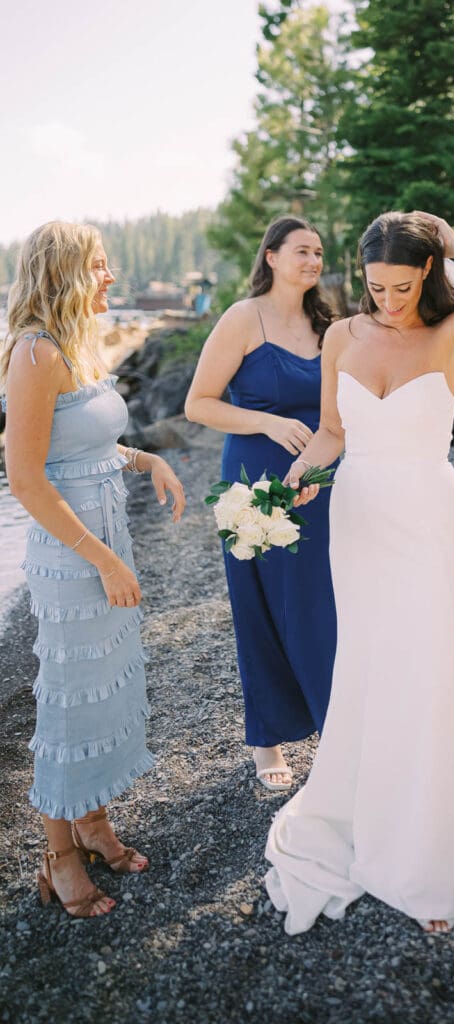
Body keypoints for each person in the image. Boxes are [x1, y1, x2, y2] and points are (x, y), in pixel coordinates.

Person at [264, 211, 454, 934]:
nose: (389, 300)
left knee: (425, 669)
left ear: (429, 273)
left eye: (403, 286)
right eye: (377, 286)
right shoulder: (342, 335)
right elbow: (333, 432)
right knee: (369, 664)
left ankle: (422, 858)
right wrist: (294, 482)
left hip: (422, 516)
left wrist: (449, 238)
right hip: (357, 517)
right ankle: (358, 808)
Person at [1, 221, 185, 918]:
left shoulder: (79, 344)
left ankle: (95, 820)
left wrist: (151, 459)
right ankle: (60, 855)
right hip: (73, 555)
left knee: (101, 691)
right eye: (102, 266)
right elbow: (25, 480)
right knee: (68, 704)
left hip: (105, 542)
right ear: (69, 272)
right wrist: (103, 558)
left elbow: (90, 449)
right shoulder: (35, 353)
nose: (112, 277)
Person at [185, 216, 337, 790]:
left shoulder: (330, 325)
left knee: (323, 603)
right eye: (301, 250)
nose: (312, 261)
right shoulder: (242, 318)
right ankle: (268, 741)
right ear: (270, 256)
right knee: (263, 606)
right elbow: (198, 403)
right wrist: (269, 423)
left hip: (320, 477)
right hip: (255, 481)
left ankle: (332, 725)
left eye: (319, 252)